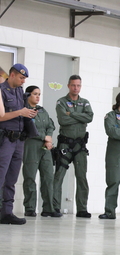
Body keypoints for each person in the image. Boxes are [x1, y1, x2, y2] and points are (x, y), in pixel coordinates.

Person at [0, 64, 38, 225]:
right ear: (13, 75)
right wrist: (21, 112)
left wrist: (28, 115)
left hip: (18, 140)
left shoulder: (20, 91)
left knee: (12, 178)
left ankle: (7, 212)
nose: (23, 81)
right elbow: (1, 117)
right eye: (22, 78)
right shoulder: (1, 91)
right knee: (0, 176)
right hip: (5, 140)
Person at [53, 75, 93, 218]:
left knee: (82, 177)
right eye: (73, 85)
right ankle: (55, 207)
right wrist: (79, 117)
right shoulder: (62, 102)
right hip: (65, 144)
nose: (76, 88)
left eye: (78, 85)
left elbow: (90, 117)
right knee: (59, 176)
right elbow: (63, 119)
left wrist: (73, 114)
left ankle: (82, 208)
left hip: (80, 145)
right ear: (68, 86)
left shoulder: (85, 103)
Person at [22, 86, 62, 217]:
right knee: (30, 177)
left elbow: (51, 125)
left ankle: (48, 208)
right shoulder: (24, 110)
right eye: (35, 94)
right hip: (32, 145)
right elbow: (26, 128)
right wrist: (43, 137)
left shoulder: (42, 110)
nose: (38, 96)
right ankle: (30, 208)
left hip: (45, 148)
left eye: (39, 94)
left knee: (48, 177)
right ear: (28, 95)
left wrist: (49, 138)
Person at [99, 91, 120, 219]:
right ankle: (109, 212)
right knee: (113, 182)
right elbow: (112, 132)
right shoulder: (110, 116)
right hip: (115, 153)